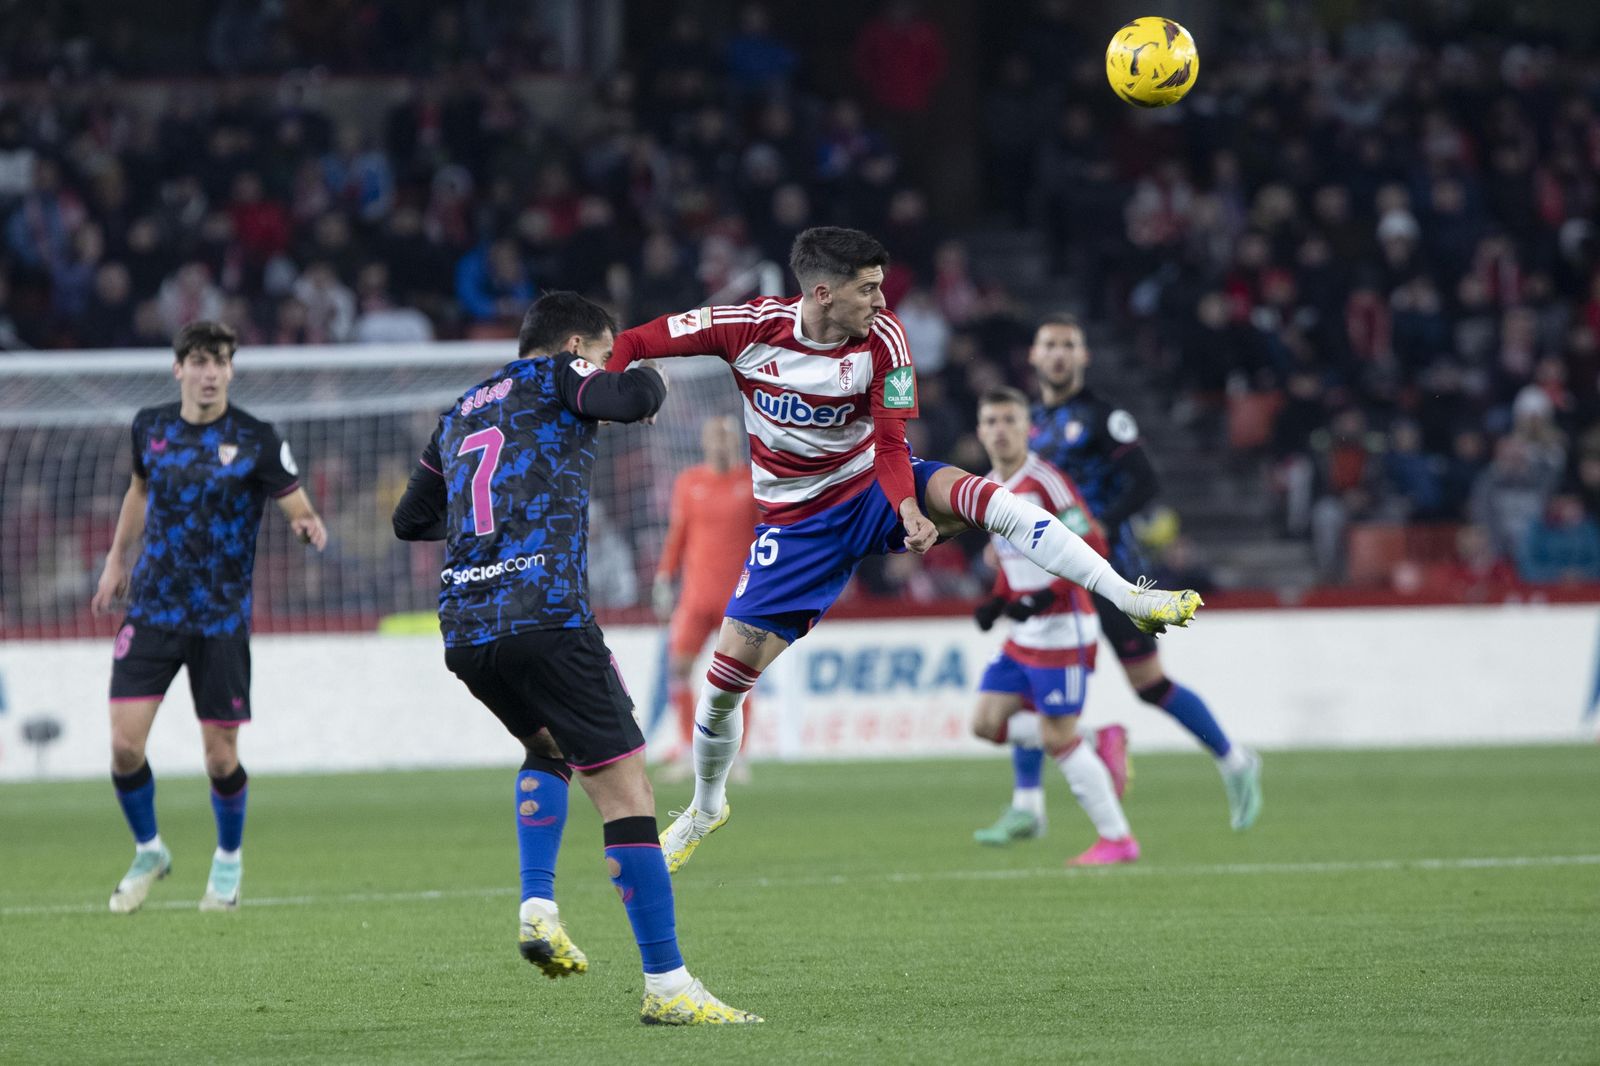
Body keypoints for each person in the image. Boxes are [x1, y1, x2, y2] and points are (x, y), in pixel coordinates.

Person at [605, 227, 1200, 873]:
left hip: (870, 488)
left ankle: (1129, 594)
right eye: (868, 288)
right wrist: (616, 391)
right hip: (795, 527)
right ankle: (704, 808)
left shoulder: (885, 338)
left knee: (993, 499)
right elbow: (635, 340)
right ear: (824, 292)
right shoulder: (744, 326)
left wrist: (910, 508)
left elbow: (891, 443)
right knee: (723, 688)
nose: (882, 300)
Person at [390, 292, 758, 1026]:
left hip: (466, 624)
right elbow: (637, 392)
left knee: (548, 748)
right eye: (602, 349)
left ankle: (537, 905)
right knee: (628, 797)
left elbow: (409, 519)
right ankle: (669, 985)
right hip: (545, 613)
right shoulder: (563, 373)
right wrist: (633, 367)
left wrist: (483, 524)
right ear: (580, 343)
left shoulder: (462, 406)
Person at [90, 320, 329, 914]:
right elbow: (138, 492)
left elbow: (296, 503)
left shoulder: (257, 438)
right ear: (179, 369)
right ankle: (150, 850)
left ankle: (227, 861)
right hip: (153, 608)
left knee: (219, 757)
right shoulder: (150, 428)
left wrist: (307, 525)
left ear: (231, 370)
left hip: (221, 617)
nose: (209, 372)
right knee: (124, 746)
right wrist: (117, 560)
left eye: (220, 361)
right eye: (198, 361)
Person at [1027, 314, 1262, 830]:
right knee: (1030, 678)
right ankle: (1032, 802)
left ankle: (1235, 761)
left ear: (1084, 356)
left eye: (1070, 344)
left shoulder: (1105, 418)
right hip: (1049, 574)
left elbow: (1145, 482)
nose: (1060, 354)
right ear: (1034, 356)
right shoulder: (1027, 424)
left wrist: (1098, 528)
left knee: (1149, 684)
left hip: (1111, 570)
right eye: (1051, 345)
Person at [967, 387, 1138, 865]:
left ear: (1028, 428)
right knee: (984, 723)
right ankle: (1098, 737)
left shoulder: (1047, 481)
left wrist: (1044, 596)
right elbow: (1009, 560)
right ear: (980, 431)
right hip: (1024, 635)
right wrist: (998, 599)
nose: (1000, 430)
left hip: (1065, 632)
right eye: (991, 421)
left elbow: (1093, 546)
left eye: (1009, 420)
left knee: (1056, 739)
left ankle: (1118, 839)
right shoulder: (985, 489)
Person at [653, 415, 761, 783]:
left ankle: (739, 756)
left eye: (725, 437)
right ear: (704, 441)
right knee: (678, 669)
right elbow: (678, 534)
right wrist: (664, 576)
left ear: (735, 442)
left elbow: (764, 538)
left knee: (739, 678)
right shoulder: (689, 483)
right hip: (696, 598)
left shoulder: (751, 483)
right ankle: (686, 747)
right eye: (714, 436)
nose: (719, 443)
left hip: (739, 599)